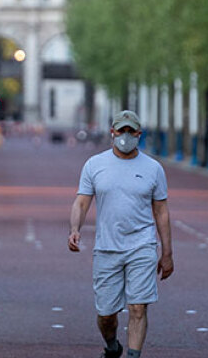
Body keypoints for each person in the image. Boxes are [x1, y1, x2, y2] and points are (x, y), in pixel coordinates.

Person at [68, 110, 174, 358]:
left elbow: (161, 212)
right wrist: (75, 229)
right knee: (106, 315)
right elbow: (81, 203)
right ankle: (111, 345)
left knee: (138, 307)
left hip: (142, 246)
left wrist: (167, 253)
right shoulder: (95, 165)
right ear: (112, 133)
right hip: (107, 248)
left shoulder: (153, 168)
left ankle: (133, 355)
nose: (125, 136)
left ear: (139, 134)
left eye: (131, 131)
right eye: (121, 131)